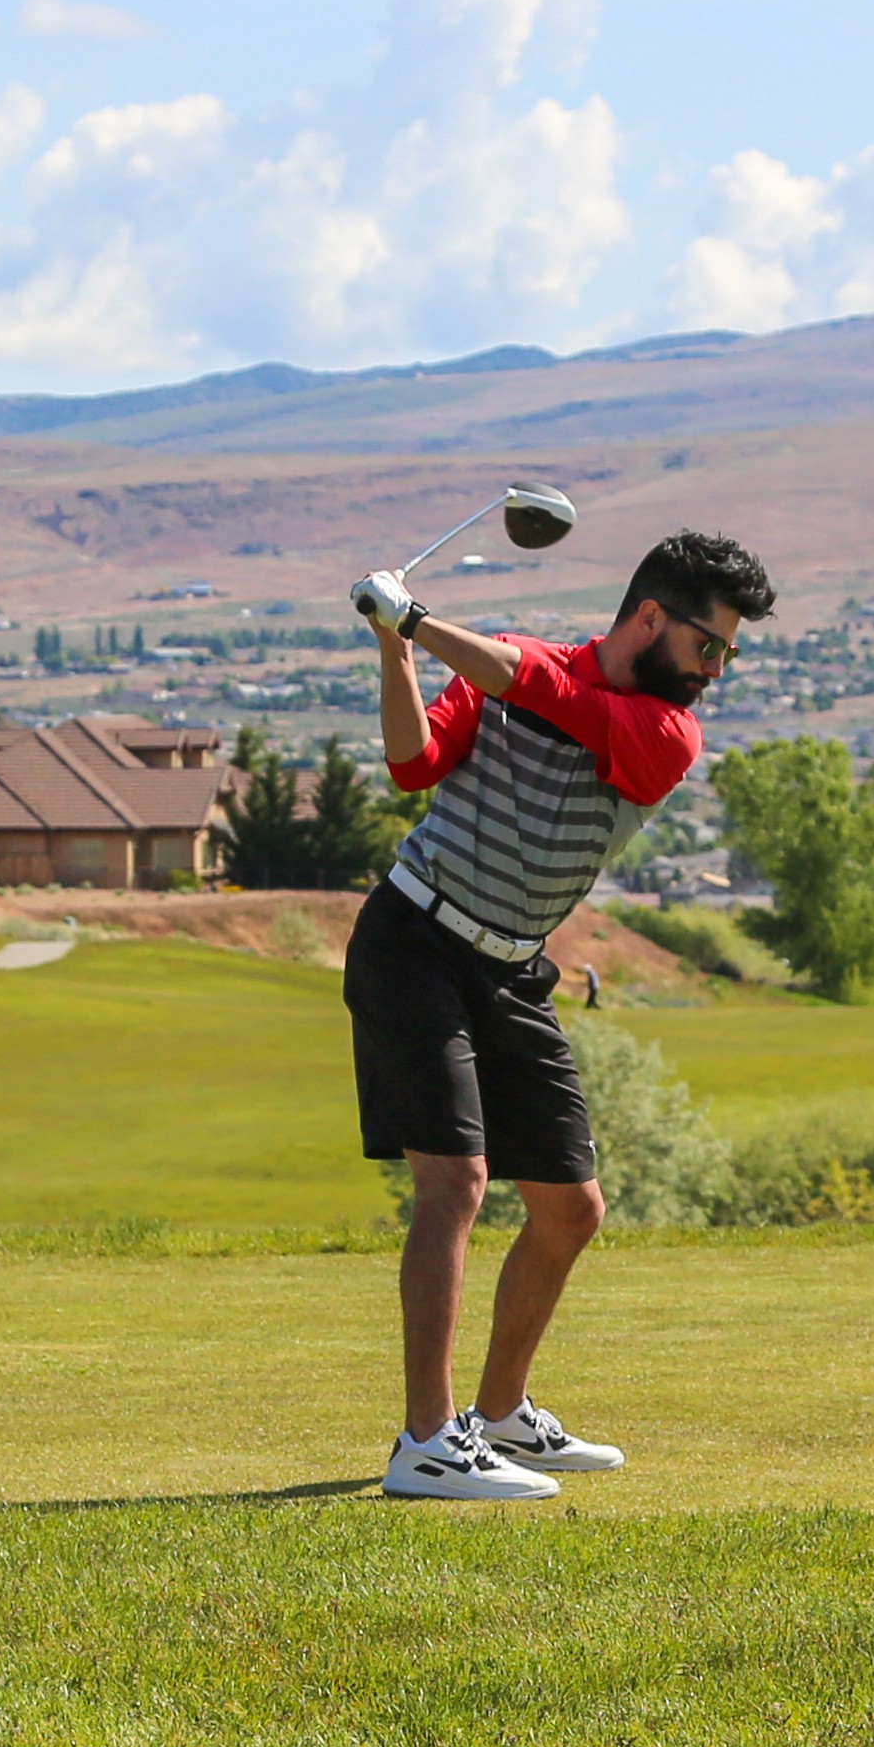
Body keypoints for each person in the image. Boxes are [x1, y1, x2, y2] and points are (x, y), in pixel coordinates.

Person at [344, 527, 773, 1501]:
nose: (715, 669)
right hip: (413, 939)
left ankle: (497, 1414)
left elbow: (548, 692)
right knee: (455, 1184)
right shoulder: (503, 665)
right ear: (651, 618)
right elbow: (414, 765)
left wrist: (422, 620)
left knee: (571, 1207)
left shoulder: (666, 732)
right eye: (709, 646)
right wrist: (396, 647)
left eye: (727, 655)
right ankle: (426, 1442)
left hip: (506, 967)